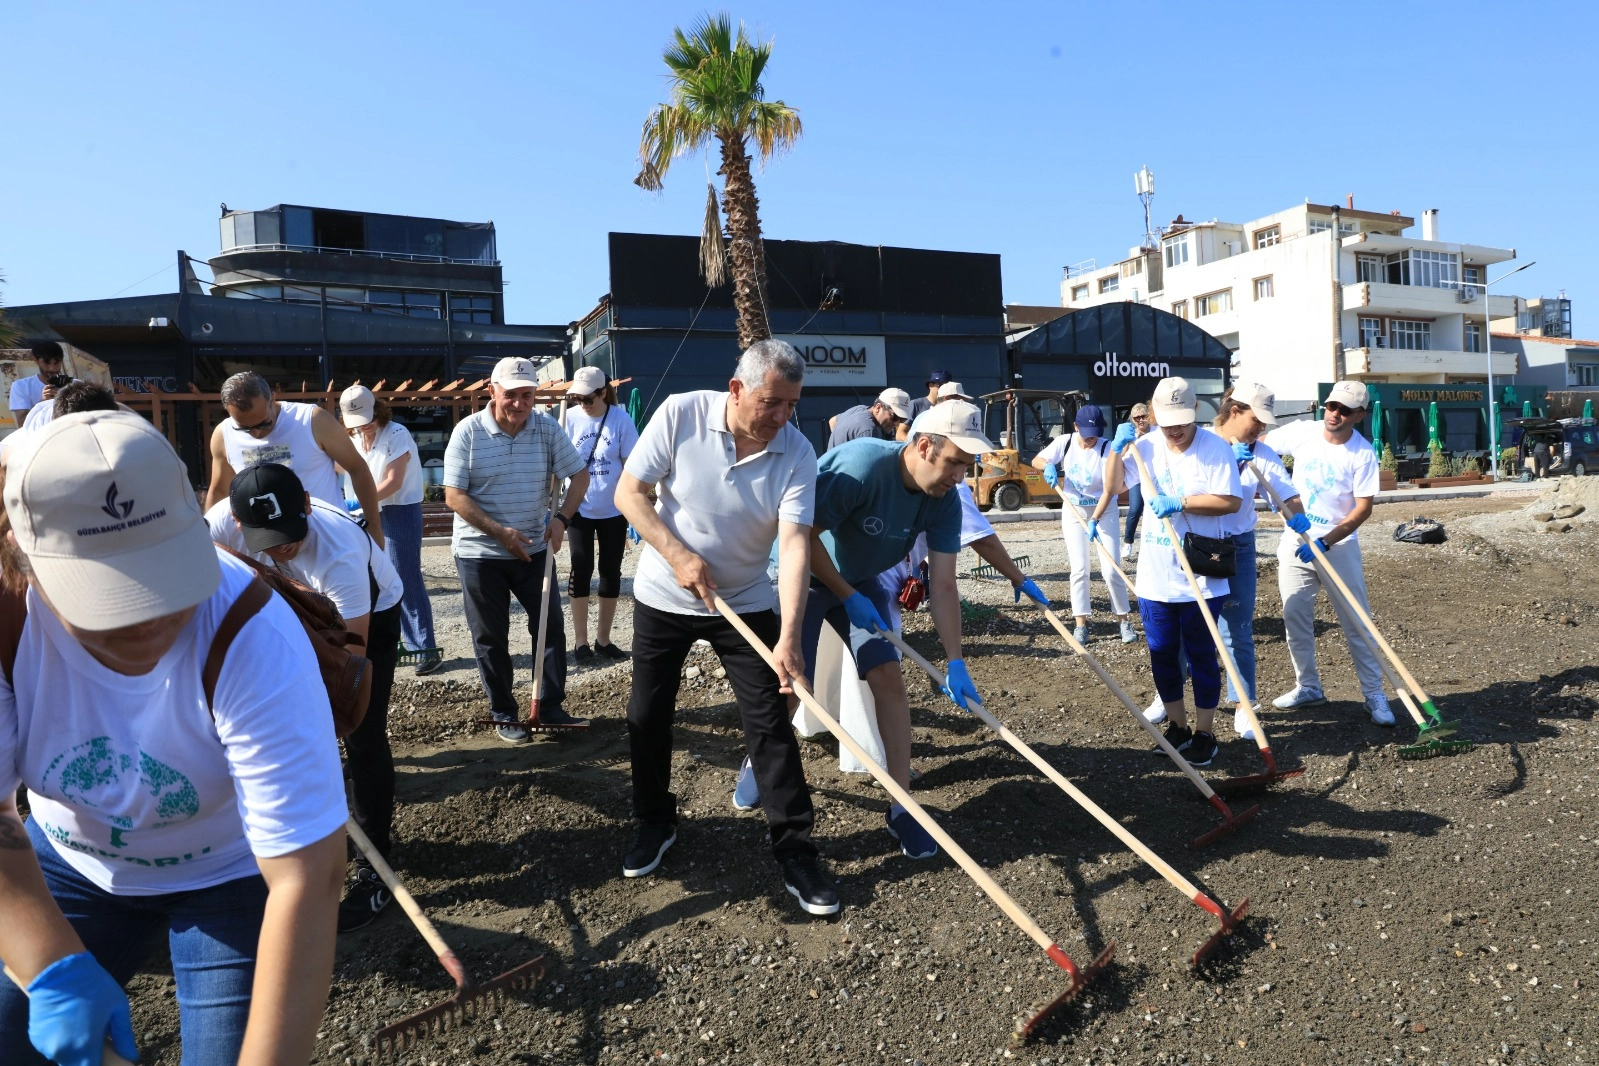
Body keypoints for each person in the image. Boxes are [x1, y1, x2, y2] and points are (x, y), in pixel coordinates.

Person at [0, 411, 347, 1066]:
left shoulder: (252, 632)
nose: (151, 617)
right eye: (111, 594)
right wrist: (48, 964)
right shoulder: (4, 621)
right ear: (28, 563)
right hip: (73, 860)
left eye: (165, 575)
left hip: (232, 871)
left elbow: (308, 874)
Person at [613, 339, 838, 916]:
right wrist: (675, 553)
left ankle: (796, 852)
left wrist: (789, 635)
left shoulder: (796, 452)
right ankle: (655, 821)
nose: (783, 417)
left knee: (770, 720)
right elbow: (630, 494)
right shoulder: (681, 413)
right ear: (737, 390)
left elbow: (793, 546)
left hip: (744, 598)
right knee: (647, 713)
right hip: (666, 593)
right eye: (772, 403)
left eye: (792, 404)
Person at [206, 463, 405, 932]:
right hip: (274, 610)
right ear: (237, 522)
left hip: (362, 622)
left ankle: (375, 868)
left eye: (289, 534)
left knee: (361, 734)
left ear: (309, 506)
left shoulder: (337, 551)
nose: (281, 547)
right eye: (268, 539)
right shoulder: (215, 529)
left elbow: (350, 655)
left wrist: (302, 701)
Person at [799, 400, 996, 859]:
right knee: (792, 683)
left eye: (967, 467)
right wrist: (846, 595)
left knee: (888, 679)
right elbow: (801, 536)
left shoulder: (943, 501)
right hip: (803, 572)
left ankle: (902, 808)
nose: (959, 478)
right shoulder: (862, 466)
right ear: (924, 446)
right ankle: (759, 759)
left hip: (859, 577)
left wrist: (955, 661)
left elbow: (943, 585)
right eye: (954, 464)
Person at [444, 357, 590, 742]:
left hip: (534, 548)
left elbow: (580, 476)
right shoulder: (467, 433)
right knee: (490, 636)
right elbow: (454, 496)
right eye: (511, 395)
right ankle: (504, 712)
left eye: (527, 395)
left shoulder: (546, 429)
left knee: (550, 627)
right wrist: (498, 533)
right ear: (492, 391)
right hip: (479, 553)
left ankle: (551, 704)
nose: (519, 403)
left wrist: (560, 520)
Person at [1099, 376, 1242, 768]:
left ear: (1195, 411)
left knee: (1201, 655)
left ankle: (1205, 732)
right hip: (1155, 577)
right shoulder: (1143, 446)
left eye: (1182, 420)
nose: (1175, 430)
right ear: (1154, 415)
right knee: (1162, 655)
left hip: (1201, 575)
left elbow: (1229, 501)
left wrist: (1181, 502)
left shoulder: (1214, 449)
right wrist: (1116, 449)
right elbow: (1112, 487)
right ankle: (1177, 728)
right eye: (1167, 421)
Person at [1264, 381, 1393, 726]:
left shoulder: (1363, 453)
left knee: (1357, 622)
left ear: (1359, 415)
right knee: (1295, 618)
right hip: (1295, 540)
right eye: (1332, 406)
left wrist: (1327, 541)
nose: (1335, 414)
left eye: (1345, 410)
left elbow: (1363, 509)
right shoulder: (1303, 432)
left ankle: (1374, 694)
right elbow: (1261, 445)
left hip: (1338, 547)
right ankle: (1308, 687)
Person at [1197, 382, 1306, 739]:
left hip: (1238, 547)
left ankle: (1244, 705)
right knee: (1189, 626)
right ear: (1234, 410)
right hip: (1195, 545)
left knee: (1237, 630)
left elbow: (1286, 495)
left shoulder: (1262, 453)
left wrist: (1299, 518)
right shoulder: (1201, 442)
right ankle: (1168, 699)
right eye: (1256, 419)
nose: (1261, 428)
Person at [204, 371, 385, 549]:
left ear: (272, 399)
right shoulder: (223, 434)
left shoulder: (311, 420)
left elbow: (357, 468)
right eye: (244, 428)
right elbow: (220, 490)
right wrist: (208, 541)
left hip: (327, 540)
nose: (256, 433)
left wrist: (373, 525)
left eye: (264, 423)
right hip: (267, 545)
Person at [339, 385, 440, 675]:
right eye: (356, 423)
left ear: (377, 411)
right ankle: (392, 644)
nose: (363, 427)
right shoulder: (355, 437)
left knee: (405, 577)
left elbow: (394, 482)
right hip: (366, 511)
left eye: (367, 420)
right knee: (374, 578)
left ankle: (425, 648)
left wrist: (357, 501)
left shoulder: (397, 434)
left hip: (399, 511)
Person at [1032, 405, 1137, 645]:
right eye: (1087, 432)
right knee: (1079, 569)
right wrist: (1048, 465)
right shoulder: (1065, 442)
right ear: (1076, 427)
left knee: (1111, 568)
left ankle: (1123, 620)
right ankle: (1081, 623)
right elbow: (1037, 459)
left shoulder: (1107, 448)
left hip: (1104, 509)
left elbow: (1111, 490)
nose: (1091, 439)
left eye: (1095, 433)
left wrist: (1094, 519)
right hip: (1074, 509)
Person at [562, 366, 641, 662]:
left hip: (613, 509)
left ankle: (603, 640)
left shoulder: (620, 419)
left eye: (588, 399)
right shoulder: (567, 419)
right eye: (578, 399)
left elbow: (632, 464)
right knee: (580, 569)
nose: (582, 403)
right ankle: (580, 642)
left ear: (603, 392)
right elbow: (557, 461)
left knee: (610, 572)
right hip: (579, 508)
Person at [825, 387, 911, 450]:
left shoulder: (859, 408)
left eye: (902, 419)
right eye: (894, 417)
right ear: (878, 408)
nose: (897, 423)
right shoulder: (868, 430)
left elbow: (832, 421)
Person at [1121, 402, 1153, 560]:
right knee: (1135, 509)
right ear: (1132, 419)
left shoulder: (1157, 432)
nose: (1141, 420)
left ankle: (1152, 544)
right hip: (1137, 477)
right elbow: (1121, 457)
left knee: (1153, 511)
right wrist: (1128, 442)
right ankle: (1128, 542)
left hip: (1154, 476)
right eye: (1137, 418)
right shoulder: (1130, 434)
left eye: (1143, 416)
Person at [8, 342, 68, 427]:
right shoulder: (21, 386)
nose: (52, 368)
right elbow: (22, 425)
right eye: (47, 362)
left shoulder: (76, 385)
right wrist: (42, 402)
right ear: (36, 360)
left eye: (56, 362)